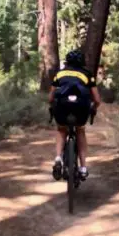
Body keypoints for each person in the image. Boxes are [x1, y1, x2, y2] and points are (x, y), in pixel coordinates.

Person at [48, 49, 101, 180]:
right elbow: (97, 100)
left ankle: (58, 158)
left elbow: (50, 98)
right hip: (80, 107)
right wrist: (94, 108)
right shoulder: (87, 74)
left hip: (63, 106)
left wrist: (52, 106)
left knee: (61, 129)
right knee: (80, 130)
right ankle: (83, 168)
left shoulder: (59, 74)